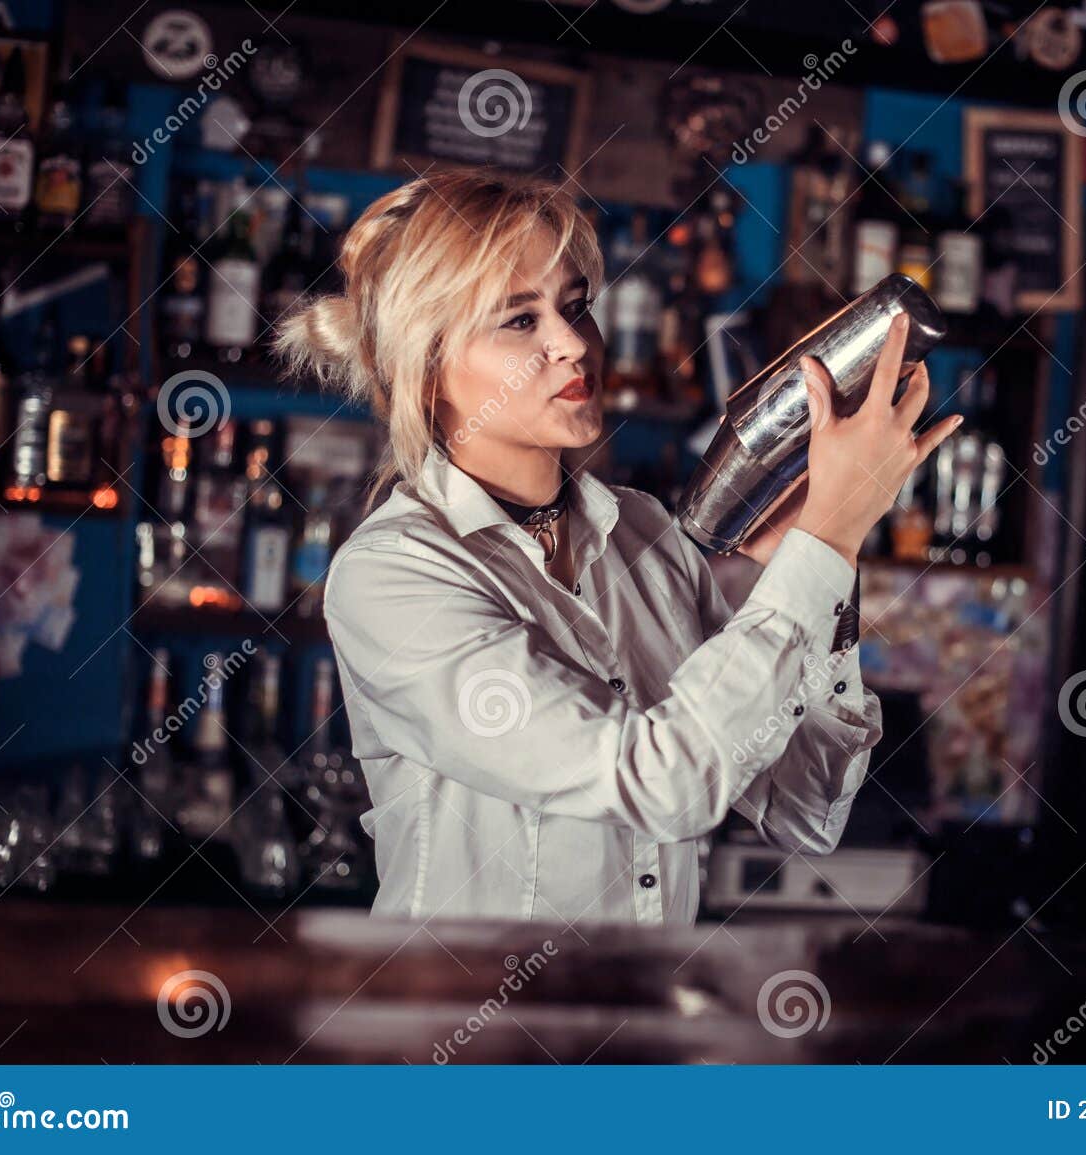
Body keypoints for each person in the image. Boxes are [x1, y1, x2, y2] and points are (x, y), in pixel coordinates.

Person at [274, 170, 962, 924]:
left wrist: (822, 559)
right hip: (474, 1030)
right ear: (427, 370)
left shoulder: (643, 535)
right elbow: (656, 783)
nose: (572, 343)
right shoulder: (393, 576)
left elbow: (806, 808)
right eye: (518, 321)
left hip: (642, 1024)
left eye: (575, 308)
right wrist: (825, 536)